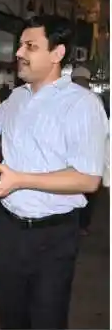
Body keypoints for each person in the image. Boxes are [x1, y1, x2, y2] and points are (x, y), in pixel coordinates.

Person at [0, 15, 107, 329]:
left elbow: (89, 179)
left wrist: (19, 179)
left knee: (47, 318)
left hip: (53, 235)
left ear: (57, 54)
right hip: (7, 227)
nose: (20, 52)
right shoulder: (18, 97)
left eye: (30, 46)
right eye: (21, 45)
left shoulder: (82, 105)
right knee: (10, 315)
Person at [70, 65, 107, 236]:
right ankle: (76, 224)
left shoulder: (94, 101)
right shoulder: (65, 98)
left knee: (87, 191)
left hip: (88, 155)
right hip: (72, 156)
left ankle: (81, 224)